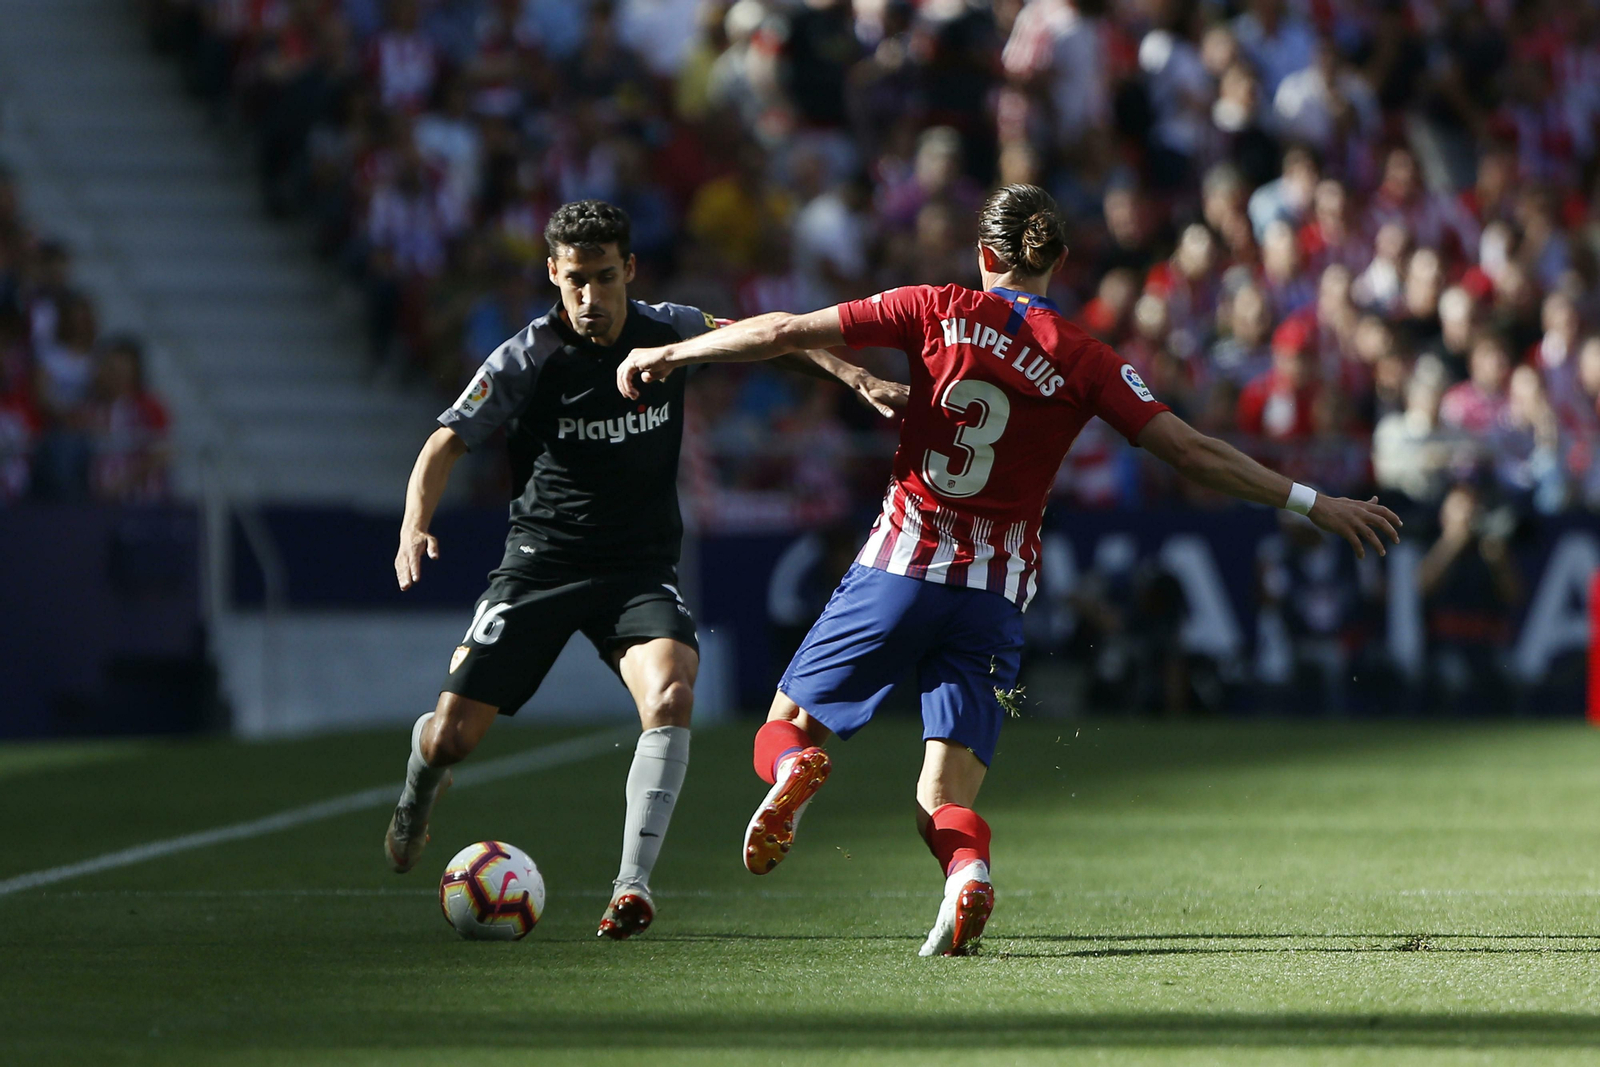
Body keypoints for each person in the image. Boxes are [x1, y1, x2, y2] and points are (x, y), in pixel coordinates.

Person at [617, 184, 1401, 956]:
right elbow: (1192, 452)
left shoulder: (933, 307)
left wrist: (671, 351)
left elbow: (783, 330)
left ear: (984, 253)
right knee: (942, 796)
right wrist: (1313, 501)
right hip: (992, 598)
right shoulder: (1084, 355)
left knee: (784, 724)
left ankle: (797, 768)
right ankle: (968, 873)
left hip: (900, 567)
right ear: (1057, 259)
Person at [384, 199, 905, 940]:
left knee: (672, 691)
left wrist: (852, 375)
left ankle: (632, 886)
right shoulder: (528, 356)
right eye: (575, 281)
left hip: (637, 568)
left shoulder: (672, 330)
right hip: (541, 566)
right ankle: (419, 790)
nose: (590, 297)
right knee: (451, 738)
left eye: (603, 277)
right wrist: (414, 523)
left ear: (629, 269)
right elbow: (445, 441)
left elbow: (771, 339)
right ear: (553, 275)